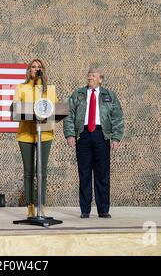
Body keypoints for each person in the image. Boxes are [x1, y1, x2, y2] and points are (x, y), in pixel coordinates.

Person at [63, 68, 124, 218]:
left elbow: (117, 117)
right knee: (84, 173)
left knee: (102, 174)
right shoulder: (78, 94)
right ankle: (85, 210)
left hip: (101, 135)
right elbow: (68, 115)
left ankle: (103, 209)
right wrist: (70, 134)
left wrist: (116, 137)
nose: (90, 77)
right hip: (83, 135)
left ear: (100, 79)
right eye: (89, 75)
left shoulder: (109, 95)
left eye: (93, 75)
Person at [13, 59, 58, 218]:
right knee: (29, 171)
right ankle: (30, 206)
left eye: (39, 67)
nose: (36, 69)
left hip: (44, 133)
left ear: (43, 70)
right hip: (26, 133)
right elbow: (16, 107)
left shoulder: (49, 89)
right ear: (29, 70)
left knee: (42, 172)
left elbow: (55, 109)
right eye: (33, 67)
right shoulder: (22, 87)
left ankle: (41, 205)